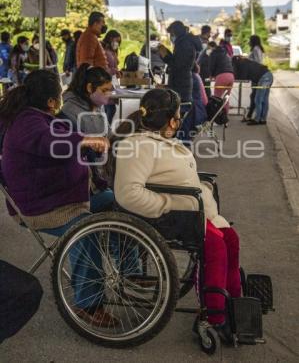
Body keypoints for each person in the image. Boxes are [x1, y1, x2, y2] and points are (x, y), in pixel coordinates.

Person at [110, 89, 241, 342]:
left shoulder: (159, 141)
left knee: (231, 240)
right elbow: (128, 193)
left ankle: (235, 302)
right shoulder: (137, 146)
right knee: (216, 248)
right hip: (171, 216)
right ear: (171, 120)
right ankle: (214, 316)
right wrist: (168, 204)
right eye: (179, 116)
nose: (180, 120)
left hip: (191, 210)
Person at [0, 70, 116, 327]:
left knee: (115, 203)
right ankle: (88, 303)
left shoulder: (39, 117)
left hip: (62, 195)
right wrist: (85, 140)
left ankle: (128, 271)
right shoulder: (27, 123)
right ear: (52, 101)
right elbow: (53, 142)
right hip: (41, 206)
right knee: (85, 230)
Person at [60, 63, 113, 201]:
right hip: (85, 184)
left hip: (99, 172)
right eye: (105, 90)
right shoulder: (71, 112)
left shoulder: (96, 106)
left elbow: (109, 135)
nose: (109, 94)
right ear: (90, 88)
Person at [233, 58, 273, 125]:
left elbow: (243, 77)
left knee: (258, 100)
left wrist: (234, 75)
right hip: (268, 75)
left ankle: (257, 119)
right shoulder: (247, 62)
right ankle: (263, 119)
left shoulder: (243, 65)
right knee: (264, 100)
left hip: (263, 78)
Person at [208, 41, 235, 113]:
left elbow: (212, 66)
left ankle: (217, 117)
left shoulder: (213, 53)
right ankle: (225, 117)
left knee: (217, 98)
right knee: (226, 98)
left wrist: (211, 75)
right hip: (231, 76)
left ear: (211, 47)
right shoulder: (225, 53)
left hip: (222, 76)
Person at [198, 25, 212, 97]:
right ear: (207, 32)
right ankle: (207, 104)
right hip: (204, 70)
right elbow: (208, 56)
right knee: (206, 89)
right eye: (210, 33)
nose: (210, 34)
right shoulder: (204, 43)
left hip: (199, 69)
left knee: (203, 88)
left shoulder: (199, 40)